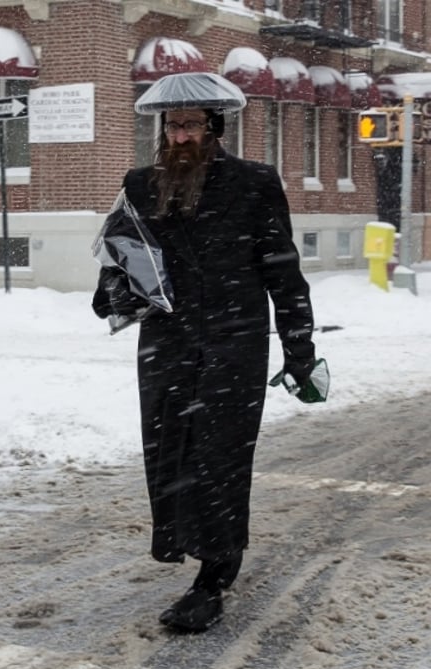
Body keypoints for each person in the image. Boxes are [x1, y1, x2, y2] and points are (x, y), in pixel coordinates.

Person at [92, 72, 319, 633]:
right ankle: (184, 546)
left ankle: (215, 575)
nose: (180, 136)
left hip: (233, 341)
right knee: (169, 454)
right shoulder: (141, 185)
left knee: (218, 458)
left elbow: (283, 272)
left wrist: (300, 348)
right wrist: (115, 292)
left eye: (192, 125)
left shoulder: (254, 183)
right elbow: (119, 259)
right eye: (172, 126)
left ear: (214, 128)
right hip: (166, 343)